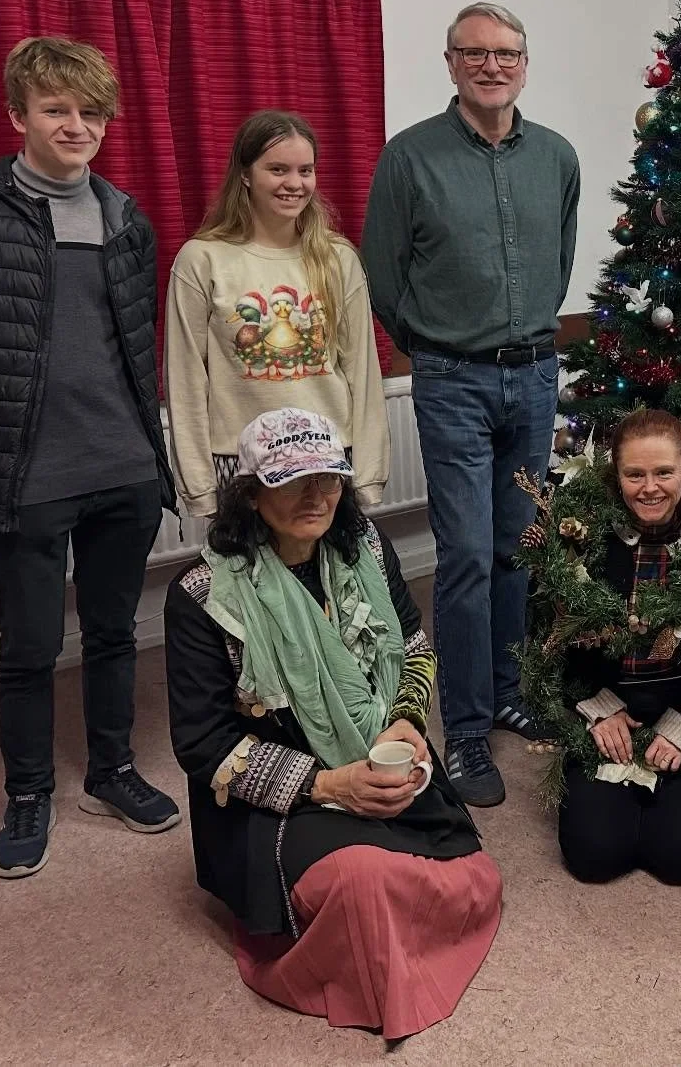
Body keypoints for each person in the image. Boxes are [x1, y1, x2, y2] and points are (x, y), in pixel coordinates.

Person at [0, 36, 180, 879]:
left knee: (114, 633)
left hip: (124, 465)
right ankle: (28, 791)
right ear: (19, 114)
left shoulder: (128, 219)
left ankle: (112, 770)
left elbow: (135, 343)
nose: (77, 124)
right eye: (57, 109)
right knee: (25, 644)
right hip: (25, 476)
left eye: (91, 111)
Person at [164, 408, 501, 1040]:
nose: (315, 495)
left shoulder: (366, 549)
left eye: (329, 478)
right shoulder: (201, 594)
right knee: (365, 882)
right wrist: (330, 785)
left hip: (375, 754)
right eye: (293, 480)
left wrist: (404, 723)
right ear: (252, 491)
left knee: (472, 878)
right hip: (280, 798)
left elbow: (415, 647)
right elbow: (204, 746)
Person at [362, 2, 580, 806]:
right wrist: (441, 342)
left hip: (533, 374)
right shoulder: (410, 158)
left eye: (508, 53)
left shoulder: (556, 156)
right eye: (475, 53)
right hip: (452, 377)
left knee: (517, 546)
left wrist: (520, 336)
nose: (493, 65)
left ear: (526, 63)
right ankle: (465, 727)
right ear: (450, 63)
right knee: (463, 555)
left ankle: (511, 691)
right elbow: (383, 278)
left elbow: (557, 266)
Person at [525, 409, 681, 886]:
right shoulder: (584, 537)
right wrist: (601, 709)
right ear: (616, 476)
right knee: (594, 857)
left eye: (664, 472)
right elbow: (555, 638)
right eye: (635, 474)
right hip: (615, 705)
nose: (650, 487)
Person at [166, 110, 388, 517]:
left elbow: (363, 374)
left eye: (306, 170)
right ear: (246, 175)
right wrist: (198, 486)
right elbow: (185, 381)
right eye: (278, 169)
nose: (294, 183)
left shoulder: (338, 259)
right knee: (251, 579)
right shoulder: (202, 260)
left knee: (333, 578)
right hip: (241, 463)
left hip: (329, 458)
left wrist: (369, 475)